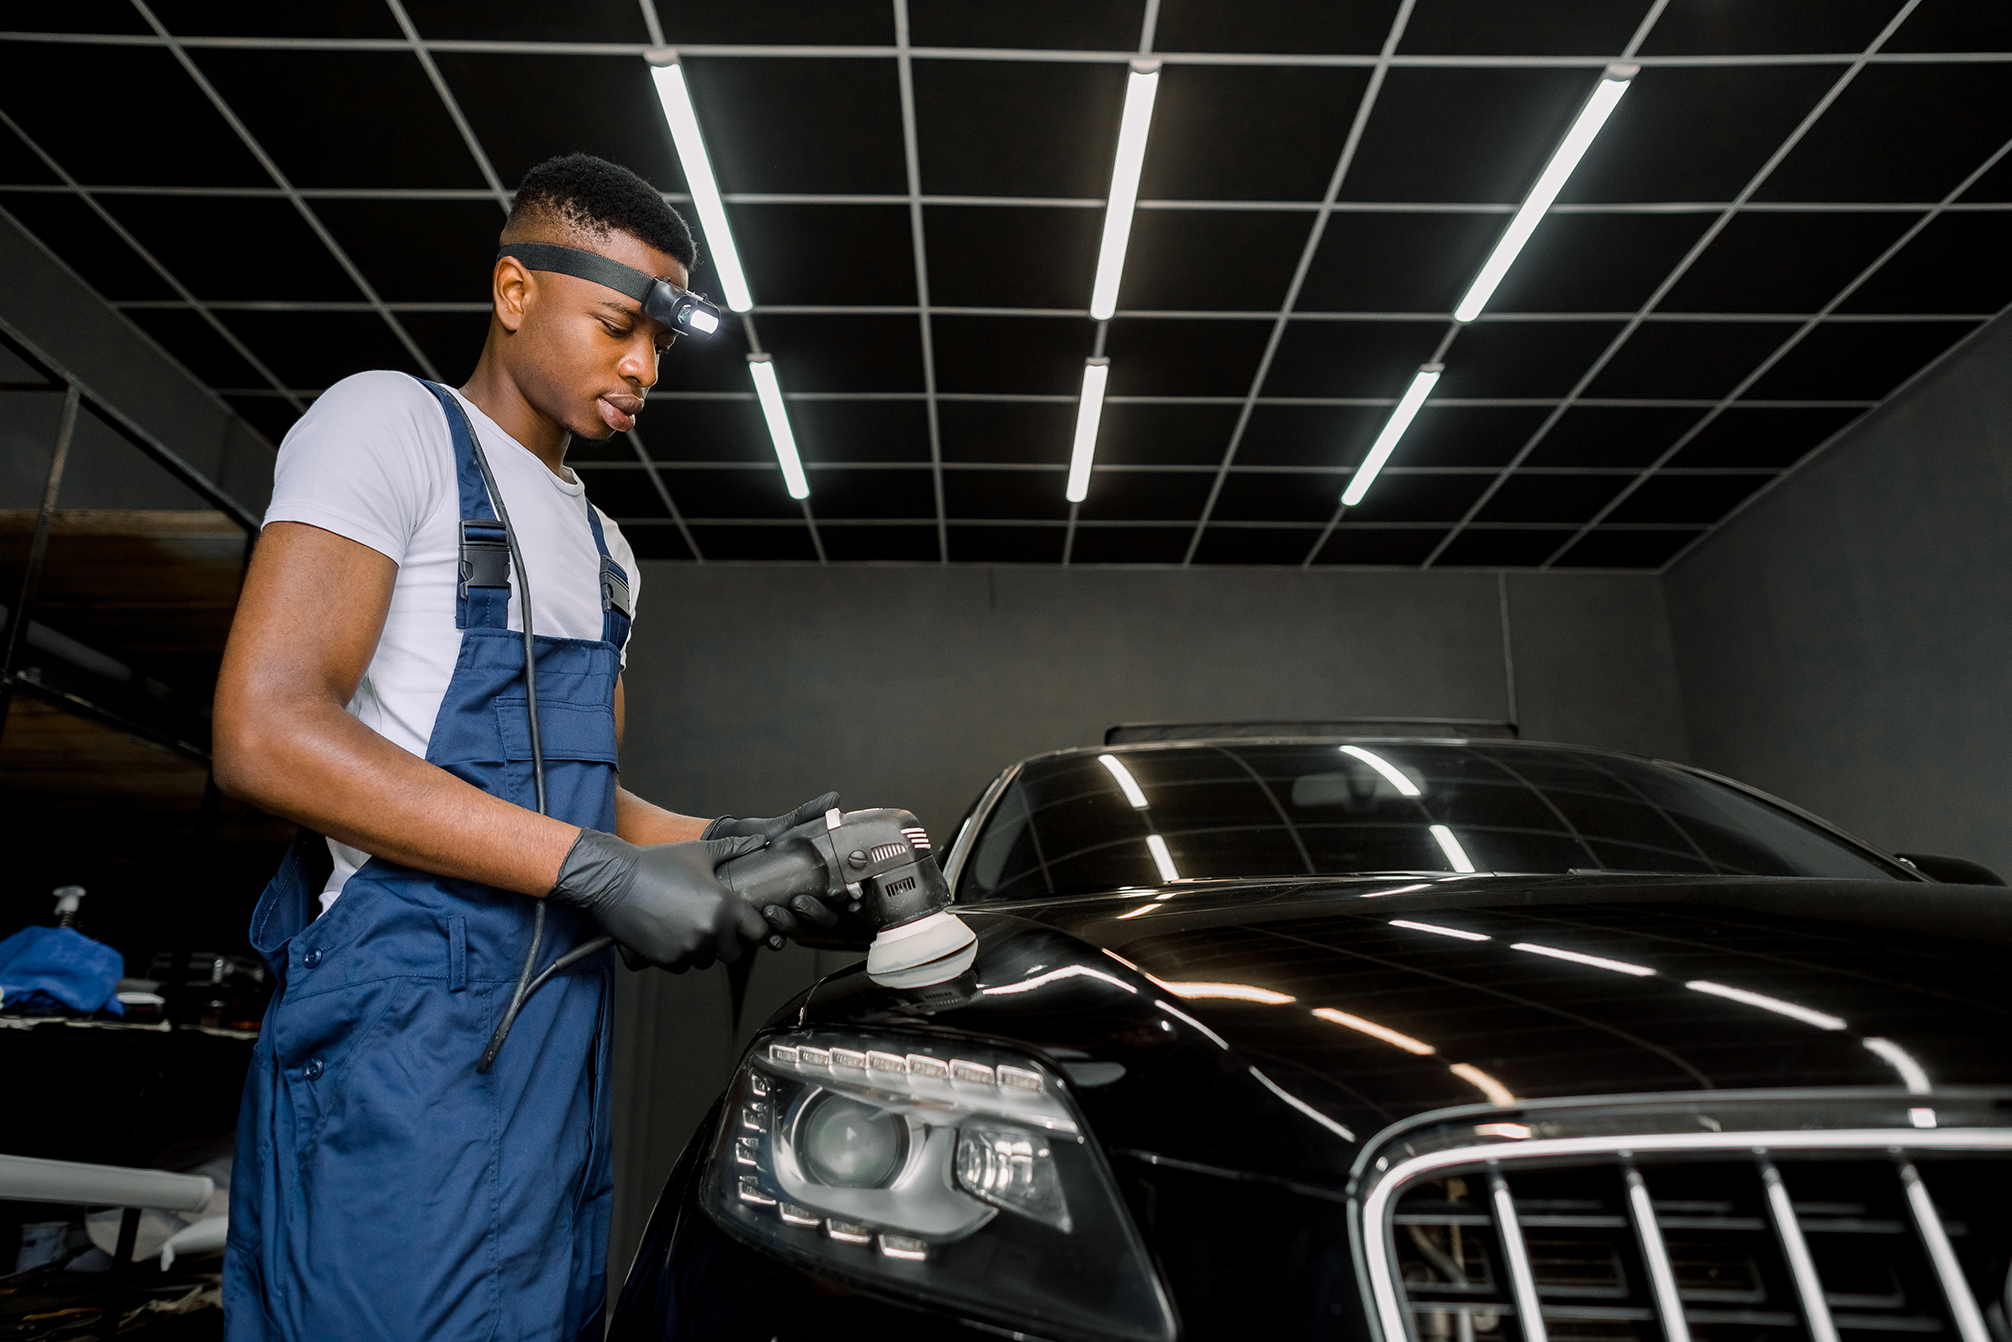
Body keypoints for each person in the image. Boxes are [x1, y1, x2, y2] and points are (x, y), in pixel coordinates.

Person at [211, 153, 835, 1341]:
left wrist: (734, 846)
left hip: (554, 1041)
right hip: (403, 1036)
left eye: (658, 341)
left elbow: (578, 797)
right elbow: (267, 729)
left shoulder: (607, 548)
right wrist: (599, 873)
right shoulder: (386, 423)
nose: (644, 366)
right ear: (512, 293)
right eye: (617, 326)